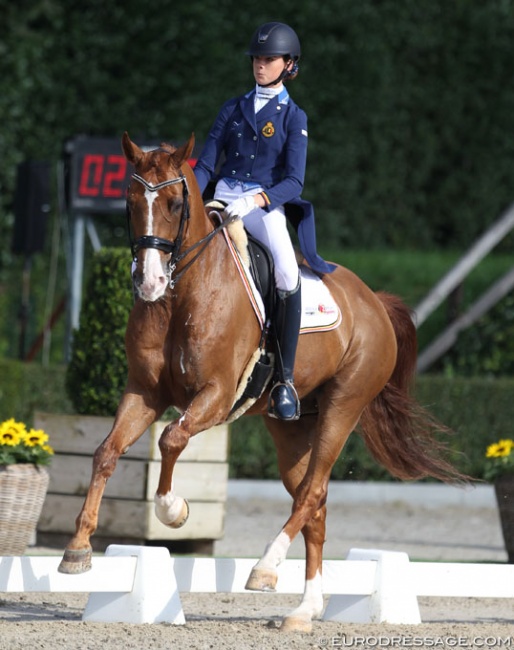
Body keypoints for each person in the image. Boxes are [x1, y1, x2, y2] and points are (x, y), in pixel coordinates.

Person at [194, 21, 334, 421]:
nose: (259, 65)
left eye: (268, 59)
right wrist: (192, 196)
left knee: (288, 273)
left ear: (288, 65)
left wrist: (257, 199)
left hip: (263, 205)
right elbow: (206, 163)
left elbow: (294, 180)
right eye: (256, 59)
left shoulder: (293, 116)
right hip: (223, 197)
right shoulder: (232, 108)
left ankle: (285, 380)